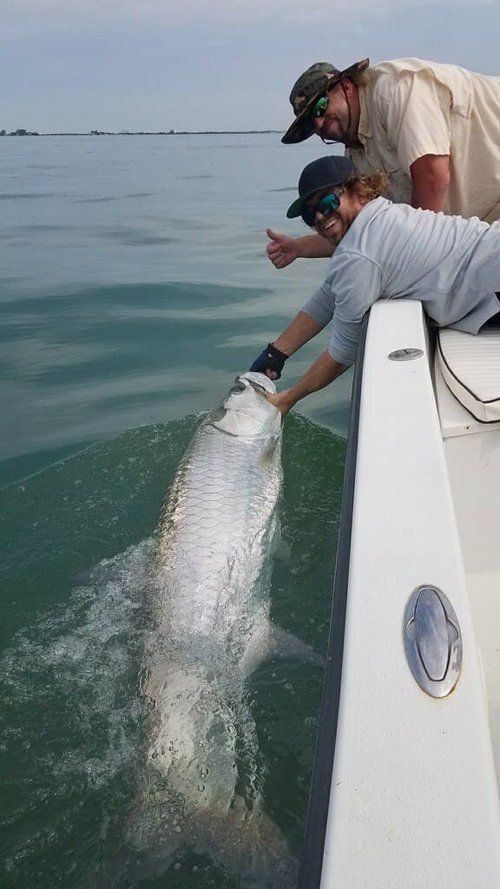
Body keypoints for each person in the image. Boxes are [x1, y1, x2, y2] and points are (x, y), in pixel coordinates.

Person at [251, 155, 500, 415]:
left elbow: (343, 351)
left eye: (328, 202)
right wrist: (276, 353)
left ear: (357, 190)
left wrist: (288, 399)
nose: (321, 216)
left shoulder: (357, 254)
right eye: (309, 214)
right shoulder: (380, 215)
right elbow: (330, 292)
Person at [267, 56, 500, 271]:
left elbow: (432, 177)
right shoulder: (356, 153)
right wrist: (298, 248)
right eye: (309, 123)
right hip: (483, 240)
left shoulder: (395, 90)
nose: (318, 123)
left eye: (320, 107)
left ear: (346, 86)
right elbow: (366, 230)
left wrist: (412, 266)